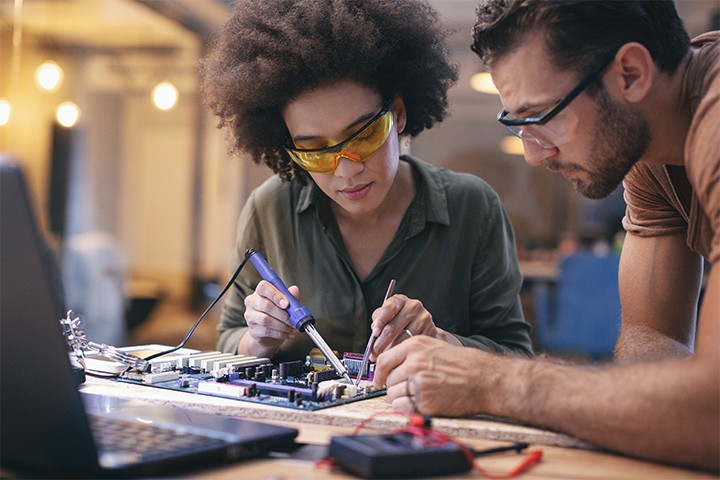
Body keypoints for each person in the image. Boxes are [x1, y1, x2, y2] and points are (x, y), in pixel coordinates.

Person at [373, 0, 719, 471]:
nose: (533, 156)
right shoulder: (650, 154)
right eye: (517, 124)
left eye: (540, 116)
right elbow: (651, 344)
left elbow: (710, 414)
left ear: (631, 74)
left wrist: (495, 381)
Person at [198, 0, 533, 364]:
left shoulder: (472, 208)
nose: (346, 171)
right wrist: (259, 340)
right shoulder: (270, 209)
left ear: (399, 115)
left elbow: (515, 357)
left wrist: (439, 341)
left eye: (362, 137)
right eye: (315, 151)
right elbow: (228, 337)